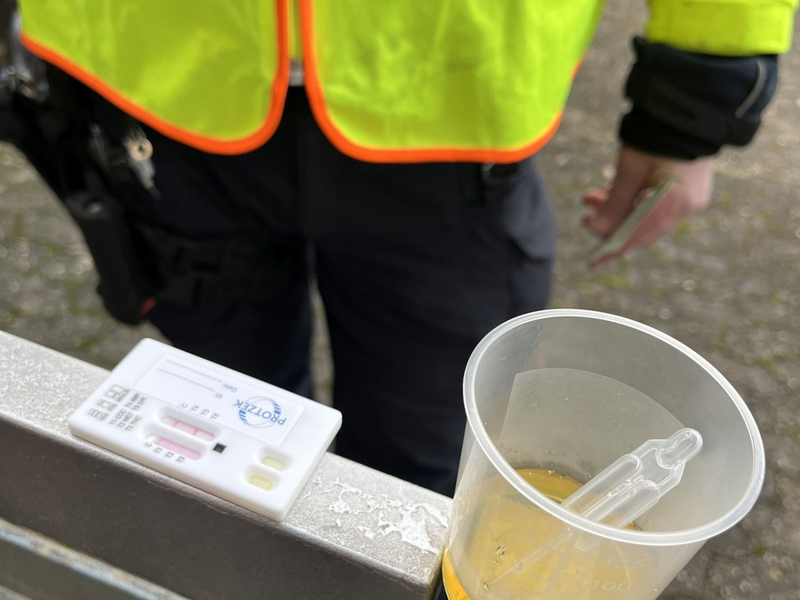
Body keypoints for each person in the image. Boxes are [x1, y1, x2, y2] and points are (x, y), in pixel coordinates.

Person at [3, 1, 796, 497]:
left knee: (422, 469)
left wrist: (701, 85)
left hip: (452, 101)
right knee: (218, 445)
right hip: (154, 89)